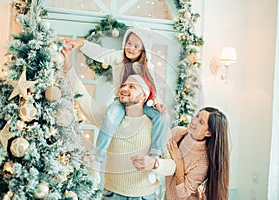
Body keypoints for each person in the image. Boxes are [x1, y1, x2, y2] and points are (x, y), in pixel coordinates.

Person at [63, 65, 176, 199]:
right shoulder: (110, 118)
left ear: (144, 95)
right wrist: (68, 68)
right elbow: (83, 99)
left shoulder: (157, 125)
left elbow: (172, 167)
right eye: (124, 85)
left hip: (145, 197)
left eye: (132, 87)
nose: (124, 89)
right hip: (112, 195)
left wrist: (154, 163)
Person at [63, 26, 170, 162]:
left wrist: (158, 104)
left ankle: (155, 154)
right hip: (121, 101)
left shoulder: (147, 67)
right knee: (111, 115)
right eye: (129, 43)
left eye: (136, 46)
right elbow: (99, 53)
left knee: (163, 117)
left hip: (144, 104)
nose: (130, 48)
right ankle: (98, 156)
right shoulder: (118, 58)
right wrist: (80, 43)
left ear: (143, 50)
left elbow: (153, 89)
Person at [165, 107, 229, 200]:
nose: (194, 121)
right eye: (197, 116)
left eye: (201, 122)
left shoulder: (202, 162)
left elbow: (182, 195)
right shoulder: (178, 132)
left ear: (208, 133)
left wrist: (178, 160)